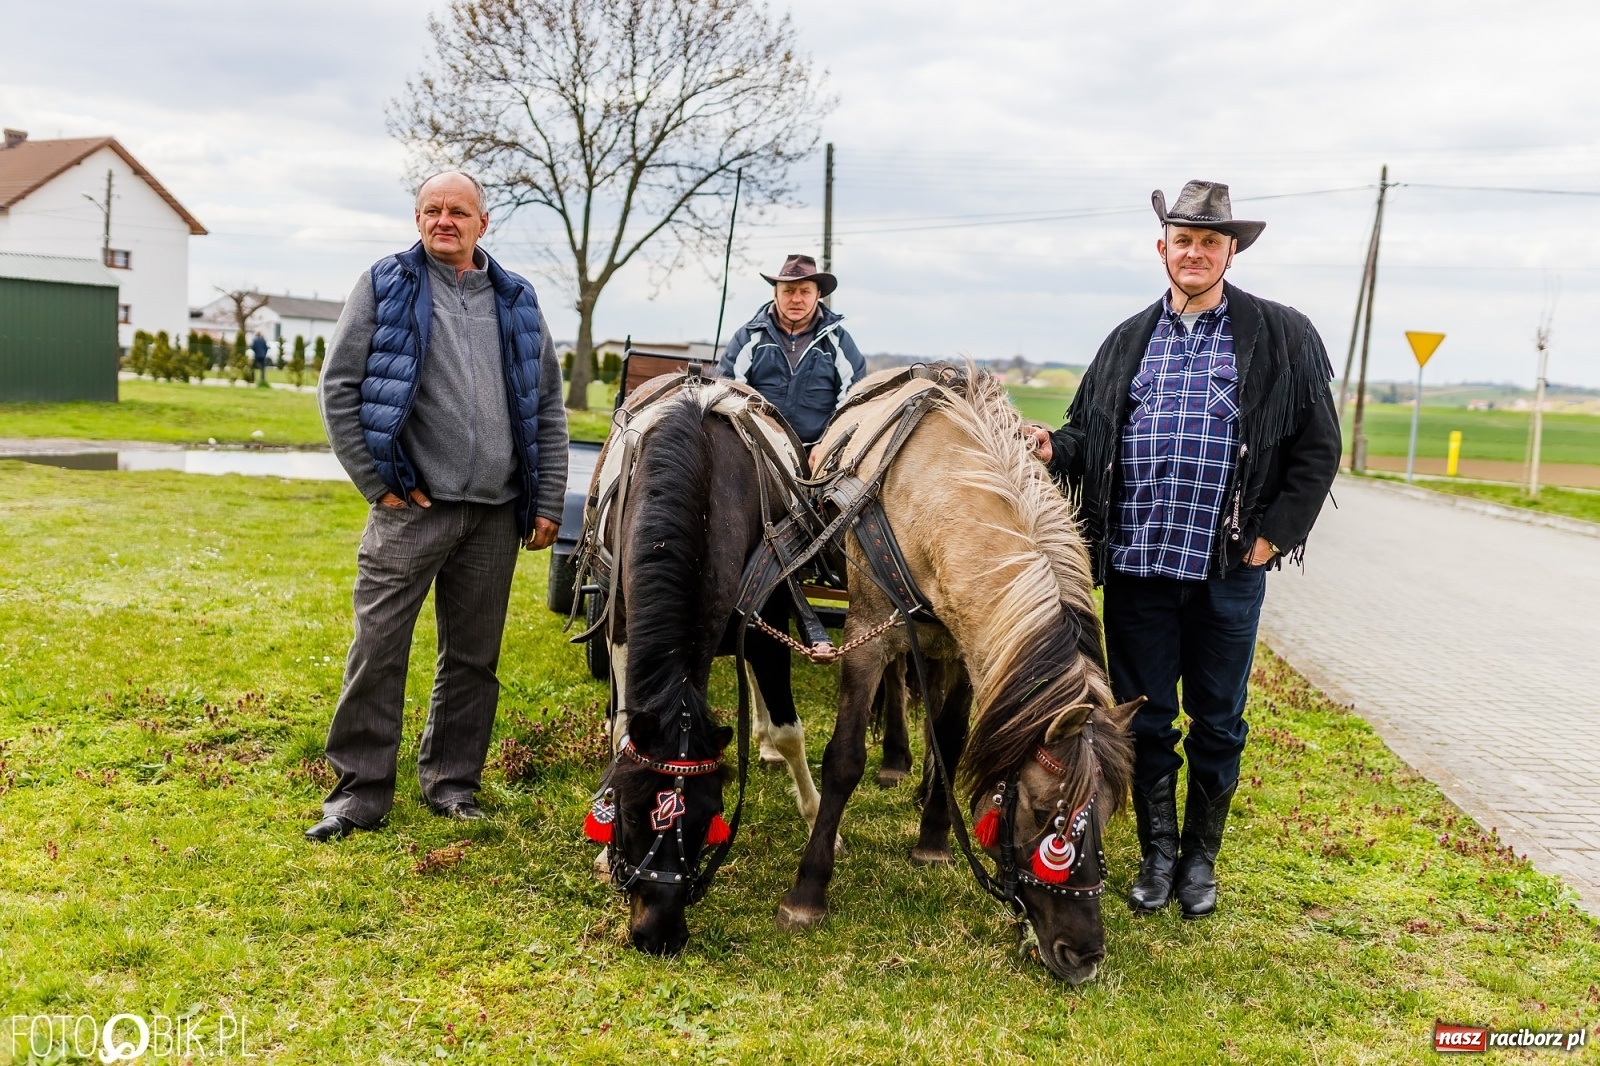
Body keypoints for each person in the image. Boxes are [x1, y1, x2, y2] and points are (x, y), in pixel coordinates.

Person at [1027, 181, 1341, 918]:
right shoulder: (1128, 339)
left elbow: (1316, 449)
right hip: (1138, 568)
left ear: (1230, 251)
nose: (1194, 253)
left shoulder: (1280, 335)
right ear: (1161, 248)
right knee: (1144, 720)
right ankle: (1157, 857)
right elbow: (1089, 436)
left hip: (1227, 569)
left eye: (1209, 242)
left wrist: (1269, 539)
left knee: (1219, 719)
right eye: (1183, 240)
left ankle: (1201, 860)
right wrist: (1052, 446)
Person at [308, 171, 568, 842]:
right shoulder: (386, 284)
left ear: (485, 222)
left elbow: (545, 406)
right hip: (410, 509)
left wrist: (546, 498)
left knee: (474, 658)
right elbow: (338, 386)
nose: (442, 220)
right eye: (430, 209)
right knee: (379, 648)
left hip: (493, 513)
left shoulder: (516, 298)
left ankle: (452, 785)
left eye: (457, 210)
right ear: (417, 218)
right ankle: (358, 795)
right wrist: (375, 481)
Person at [716, 253, 866, 446]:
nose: (796, 299)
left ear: (818, 295)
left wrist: (829, 445)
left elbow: (854, 397)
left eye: (805, 291)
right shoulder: (749, 337)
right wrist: (750, 443)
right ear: (775, 293)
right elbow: (728, 391)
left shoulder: (837, 340)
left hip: (820, 453)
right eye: (788, 291)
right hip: (758, 448)